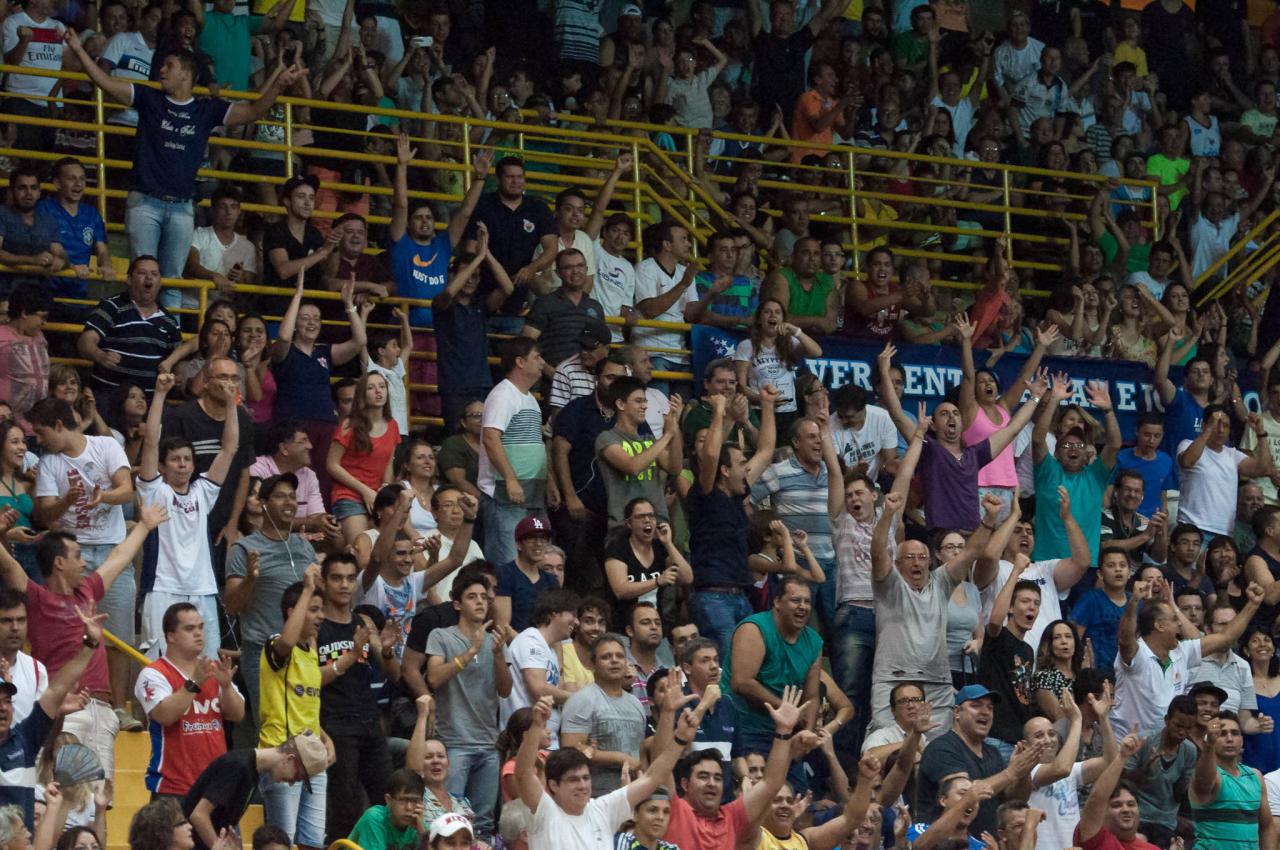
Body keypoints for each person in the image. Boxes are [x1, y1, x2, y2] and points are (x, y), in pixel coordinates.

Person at [62, 29, 305, 287]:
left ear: (186, 75)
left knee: (173, 282)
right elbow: (104, 81)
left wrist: (279, 85)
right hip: (145, 202)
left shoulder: (206, 109)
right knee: (143, 277)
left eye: (169, 66)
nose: (161, 71)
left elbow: (253, 111)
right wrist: (78, 50)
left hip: (182, 207)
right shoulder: (149, 98)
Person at [869, 420, 1003, 732]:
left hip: (938, 683)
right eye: (909, 557)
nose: (916, 563)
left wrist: (990, 520)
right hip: (893, 680)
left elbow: (971, 553)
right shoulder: (888, 585)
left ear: (931, 562)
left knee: (938, 751)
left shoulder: (940, 582)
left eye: (922, 557)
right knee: (889, 747)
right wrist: (888, 514)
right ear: (898, 563)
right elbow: (878, 552)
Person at [28, 397, 139, 734]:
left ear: (59, 425)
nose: (39, 439)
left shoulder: (105, 445)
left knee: (118, 632)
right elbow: (43, 514)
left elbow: (127, 490)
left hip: (109, 549)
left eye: (42, 431)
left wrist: (100, 496)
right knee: (73, 633)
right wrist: (67, 500)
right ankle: (70, 698)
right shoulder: (49, 464)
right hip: (71, 556)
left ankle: (118, 707)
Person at [138, 371, 237, 659]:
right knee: (160, 665)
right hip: (162, 587)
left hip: (202, 588)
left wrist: (231, 404)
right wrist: (159, 395)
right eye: (174, 460)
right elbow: (150, 442)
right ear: (163, 465)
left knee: (208, 665)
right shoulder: (154, 491)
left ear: (194, 465)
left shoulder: (202, 492)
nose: (181, 465)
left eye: (187, 460)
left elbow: (229, 449)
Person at [1113, 577, 1264, 738]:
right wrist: (1134, 602)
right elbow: (1124, 638)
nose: (1180, 624)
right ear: (1159, 625)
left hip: (1165, 747)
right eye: (1174, 619)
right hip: (1127, 748)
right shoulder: (1138, 653)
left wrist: (1252, 604)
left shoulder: (1182, 651)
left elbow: (1225, 638)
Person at [424, 574, 512, 840]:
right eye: (472, 597)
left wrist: (497, 656)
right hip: (454, 743)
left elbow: (505, 690)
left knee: (483, 824)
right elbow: (434, 678)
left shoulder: (494, 640)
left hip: (488, 742)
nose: (480, 603)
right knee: (447, 822)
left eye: (484, 598)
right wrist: (469, 653)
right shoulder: (441, 636)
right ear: (457, 604)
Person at [223, 474, 319, 716]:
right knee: (270, 731)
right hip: (263, 653)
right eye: (279, 496)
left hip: (303, 650)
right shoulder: (243, 548)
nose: (289, 502)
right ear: (263, 504)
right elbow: (231, 606)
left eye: (292, 497)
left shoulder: (305, 547)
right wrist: (250, 579)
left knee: (305, 727)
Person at [316, 553, 395, 841]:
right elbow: (309, 680)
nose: (344, 584)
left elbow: (392, 673)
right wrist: (349, 656)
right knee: (345, 811)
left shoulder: (361, 623)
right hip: (335, 725)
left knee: (388, 803)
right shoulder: (315, 626)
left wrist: (385, 649)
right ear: (323, 583)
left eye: (350, 578)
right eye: (337, 578)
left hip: (370, 722)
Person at [257, 566, 335, 850]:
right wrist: (306, 588)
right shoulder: (275, 645)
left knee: (313, 842)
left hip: (313, 760)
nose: (321, 616)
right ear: (294, 611)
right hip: (281, 757)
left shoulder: (311, 653)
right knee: (282, 844)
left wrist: (326, 739)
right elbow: (287, 640)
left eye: (320, 609)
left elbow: (306, 707)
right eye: (313, 610)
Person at [269, 275, 367, 499]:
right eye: (304, 318)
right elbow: (284, 336)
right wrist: (298, 296)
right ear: (296, 323)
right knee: (291, 480)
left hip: (325, 423)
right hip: (292, 424)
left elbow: (359, 341)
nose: (311, 322)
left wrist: (349, 304)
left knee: (322, 481)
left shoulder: (324, 352)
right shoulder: (284, 351)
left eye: (316, 318)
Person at [135, 602, 245, 797]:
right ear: (170, 636)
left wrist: (227, 687)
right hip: (173, 788)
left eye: (201, 627)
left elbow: (237, 714)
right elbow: (164, 715)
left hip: (215, 790)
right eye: (189, 629)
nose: (198, 634)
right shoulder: (153, 673)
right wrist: (195, 682)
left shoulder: (213, 668)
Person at [915, 685, 1042, 837]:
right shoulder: (942, 748)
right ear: (957, 712)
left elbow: (1013, 800)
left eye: (990, 708)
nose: (985, 712)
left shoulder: (993, 753)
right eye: (976, 706)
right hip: (943, 843)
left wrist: (1023, 772)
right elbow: (962, 799)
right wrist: (1011, 772)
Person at [722, 575, 822, 762]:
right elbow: (742, 683)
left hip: (784, 732)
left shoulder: (814, 641)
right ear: (777, 602)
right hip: (743, 729)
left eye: (807, 602)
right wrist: (785, 710)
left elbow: (812, 696)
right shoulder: (754, 628)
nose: (803, 606)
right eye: (795, 600)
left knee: (796, 790)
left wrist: (806, 733)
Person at [182, 731, 329, 850]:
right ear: (289, 759)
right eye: (297, 777)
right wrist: (217, 846)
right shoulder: (239, 766)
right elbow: (199, 815)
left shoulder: (252, 771)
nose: (291, 783)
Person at [480, 338, 550, 565]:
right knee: (508, 562)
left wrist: (550, 483)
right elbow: (491, 438)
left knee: (537, 563)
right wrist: (510, 479)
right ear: (520, 362)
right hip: (506, 495)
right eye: (537, 357)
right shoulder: (503, 395)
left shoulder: (529, 399)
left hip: (530, 493)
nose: (542, 362)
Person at [76, 256, 182, 399]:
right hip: (108, 399)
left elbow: (176, 362)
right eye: (142, 273)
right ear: (129, 280)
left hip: (148, 405)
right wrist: (100, 356)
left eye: (154, 274)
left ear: (160, 282)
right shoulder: (111, 306)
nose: (149, 278)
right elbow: (85, 342)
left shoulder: (169, 321)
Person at [559, 633, 648, 796]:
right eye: (606, 657)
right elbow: (570, 749)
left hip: (633, 793)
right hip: (595, 796)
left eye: (620, 656)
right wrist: (618, 758)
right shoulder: (582, 700)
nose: (614, 660)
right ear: (593, 664)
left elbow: (639, 753)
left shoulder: (636, 704)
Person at [597, 377, 684, 530]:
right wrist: (667, 435)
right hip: (624, 526)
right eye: (638, 401)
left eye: (645, 401)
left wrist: (674, 428)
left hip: (657, 523)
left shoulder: (650, 440)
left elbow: (674, 468)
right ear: (620, 404)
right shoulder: (606, 438)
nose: (644, 406)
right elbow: (633, 466)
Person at [1179, 406, 1274, 538]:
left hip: (1224, 532)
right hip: (1191, 528)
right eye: (1215, 425)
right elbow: (1187, 462)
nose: (1221, 430)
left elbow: (1264, 469)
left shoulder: (1233, 454)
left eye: (1225, 425)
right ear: (1204, 425)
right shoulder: (1187, 444)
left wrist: (1261, 433)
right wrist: (1208, 430)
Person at [501, 589, 578, 748]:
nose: (576, 622)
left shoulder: (549, 649)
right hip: (526, 738)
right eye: (572, 614)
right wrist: (579, 698)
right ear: (554, 613)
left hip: (544, 739)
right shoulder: (531, 640)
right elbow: (539, 689)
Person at [1189, 711, 1273, 849]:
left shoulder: (1255, 776)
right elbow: (1204, 783)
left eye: (1235, 733)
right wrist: (1209, 743)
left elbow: (1267, 827)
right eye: (1222, 734)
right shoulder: (1207, 774)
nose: (1229, 739)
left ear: (1242, 738)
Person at [1122, 695, 1198, 847]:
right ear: (1166, 720)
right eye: (1178, 726)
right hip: (1139, 817)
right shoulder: (1144, 741)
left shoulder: (1190, 751)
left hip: (1166, 823)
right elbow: (1124, 781)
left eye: (1188, 728)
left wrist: (1189, 782)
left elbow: (1178, 795)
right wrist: (1147, 769)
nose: (1182, 732)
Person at [604, 500, 692, 625]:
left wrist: (668, 543)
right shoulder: (618, 549)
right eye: (640, 517)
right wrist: (657, 581)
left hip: (655, 625)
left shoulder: (660, 548)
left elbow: (687, 578)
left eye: (651, 516)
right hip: (624, 627)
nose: (647, 520)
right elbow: (621, 590)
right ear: (629, 523)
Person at [495, 516, 561, 633]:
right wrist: (528, 648)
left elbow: (554, 627)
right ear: (518, 544)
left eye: (543, 538)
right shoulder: (504, 574)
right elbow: (502, 627)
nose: (538, 543)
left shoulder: (551, 581)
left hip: (544, 646)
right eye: (531, 538)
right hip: (514, 646)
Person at [348, 769, 425, 850]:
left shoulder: (419, 825)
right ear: (389, 800)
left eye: (415, 801)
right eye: (403, 800)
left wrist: (422, 835)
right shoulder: (374, 819)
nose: (409, 808)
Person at [0, 589, 45, 724]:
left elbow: (40, 731)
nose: (15, 627)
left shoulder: (38, 670)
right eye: (6, 620)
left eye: (21, 620)